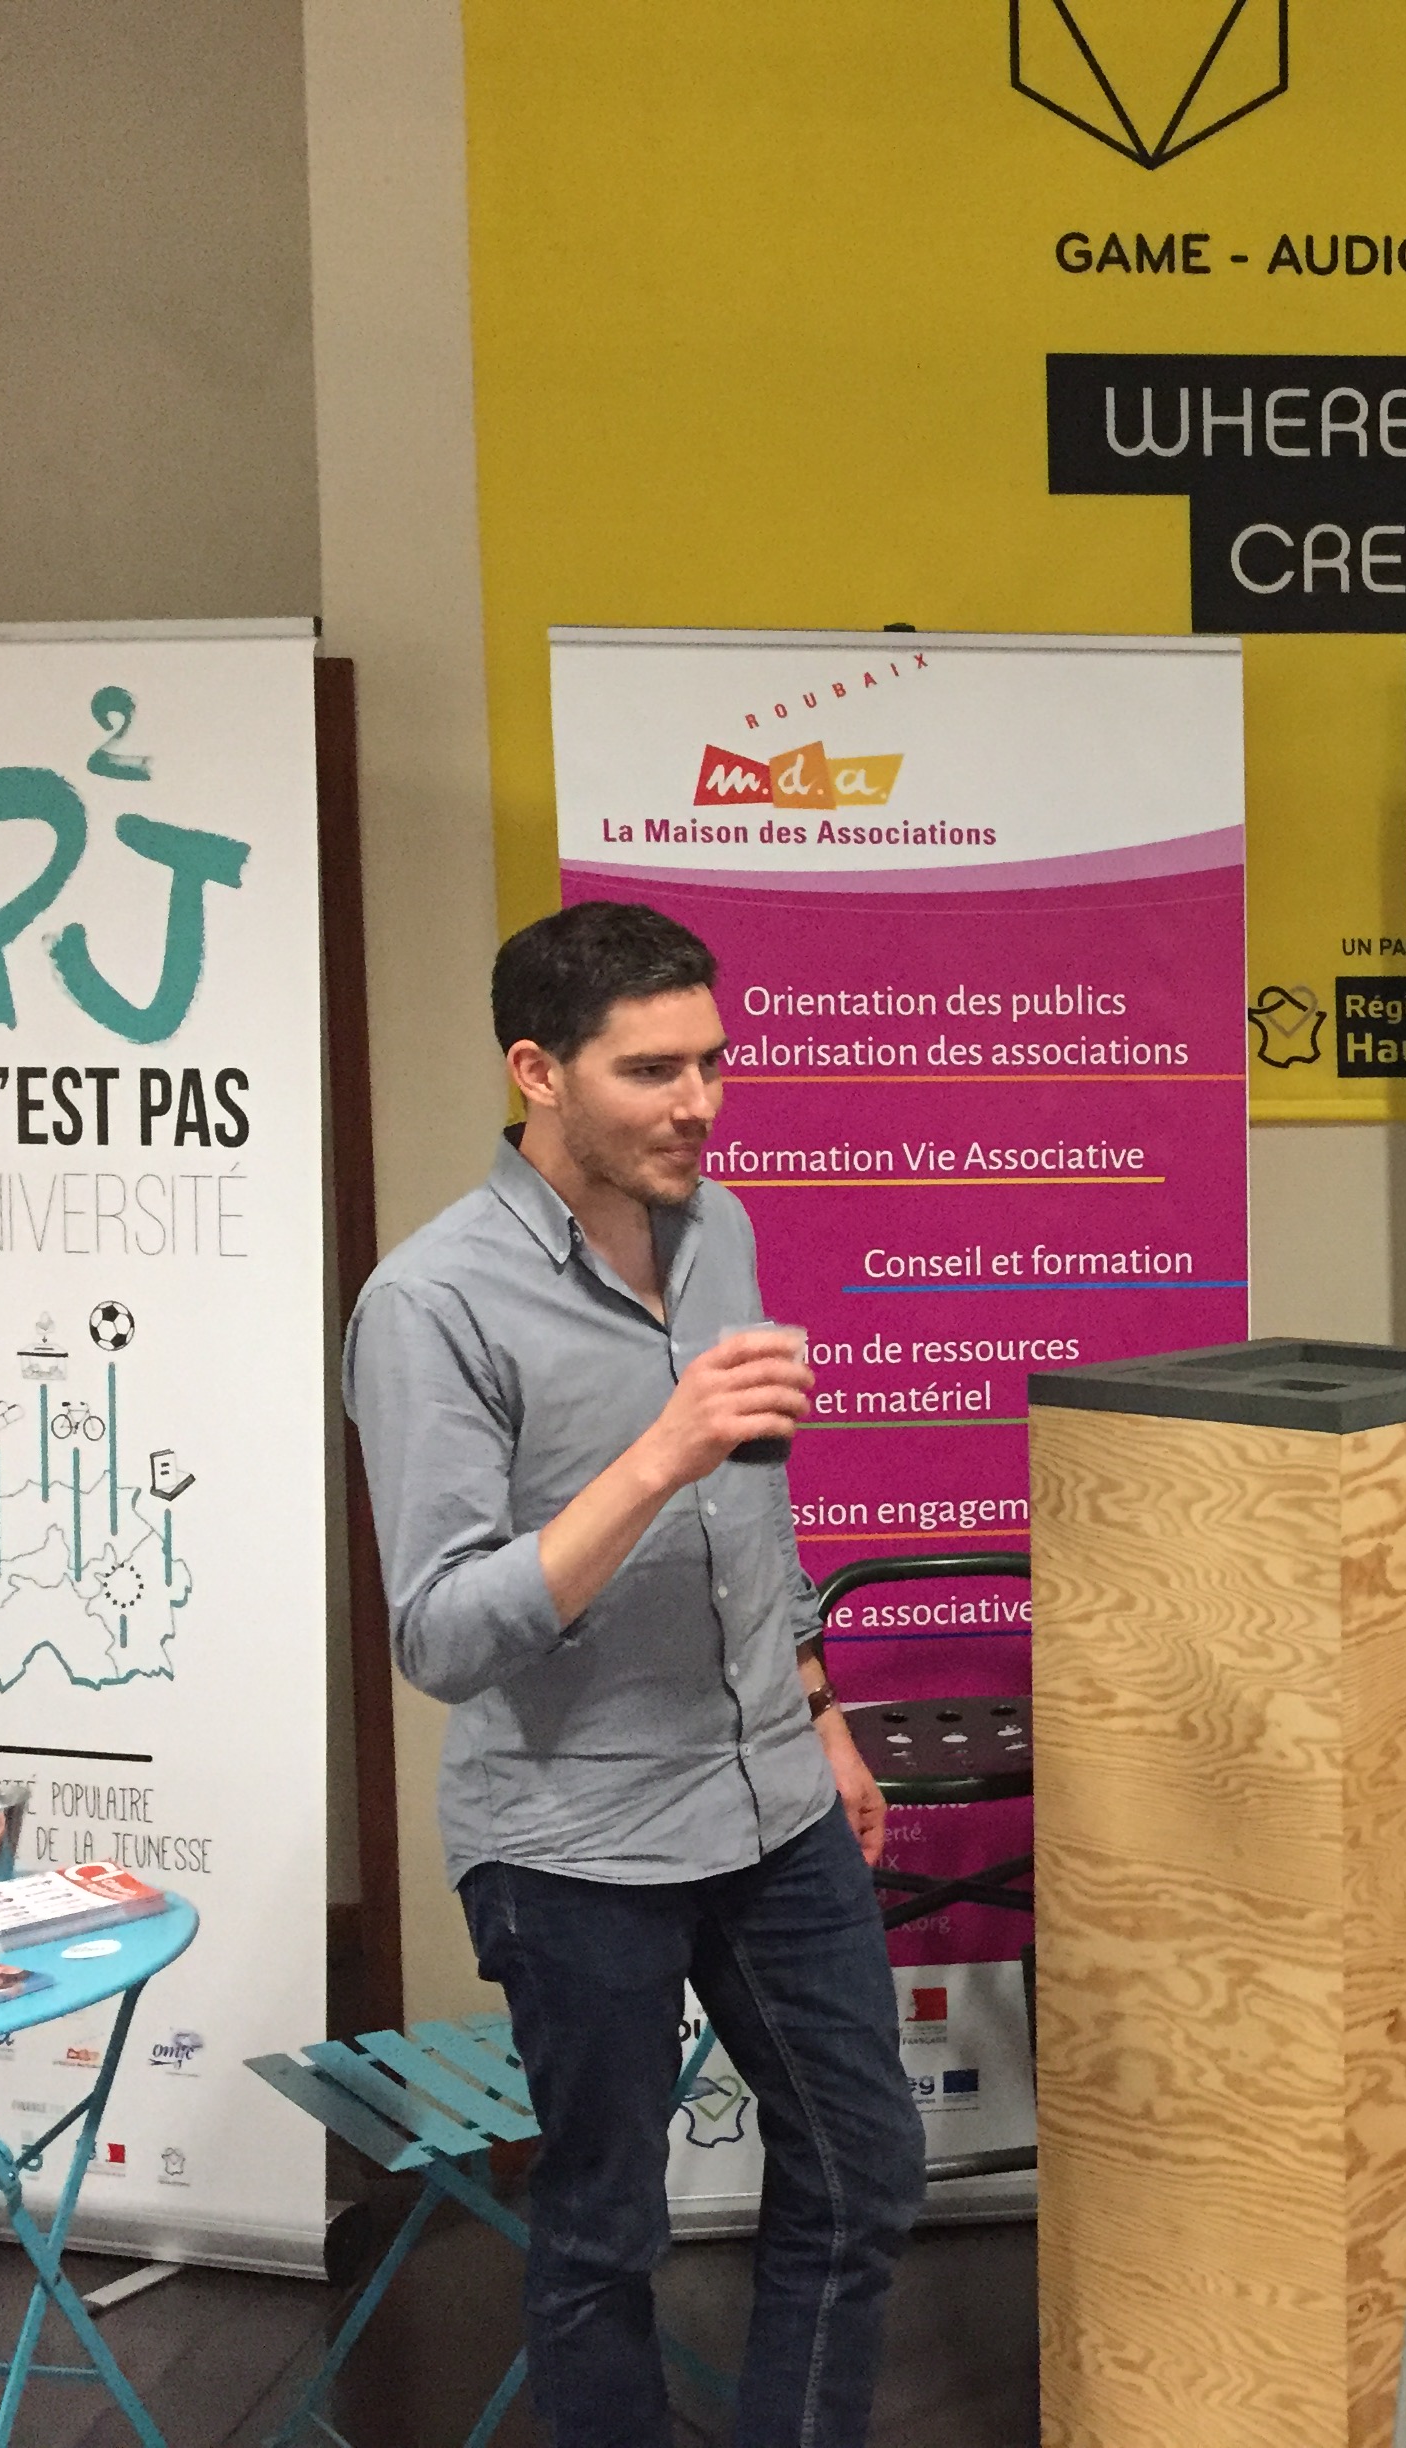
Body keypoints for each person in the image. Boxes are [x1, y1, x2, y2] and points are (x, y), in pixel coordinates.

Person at [344, 903, 923, 2448]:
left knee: (866, 2176)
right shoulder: (431, 1304)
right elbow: (440, 1634)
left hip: (774, 1794)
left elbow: (757, 1512)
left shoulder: (718, 1226)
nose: (698, 1104)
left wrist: (820, 1709)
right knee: (604, 2231)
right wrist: (656, 1455)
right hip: (574, 1839)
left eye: (712, 1062)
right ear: (537, 1071)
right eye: (651, 1071)